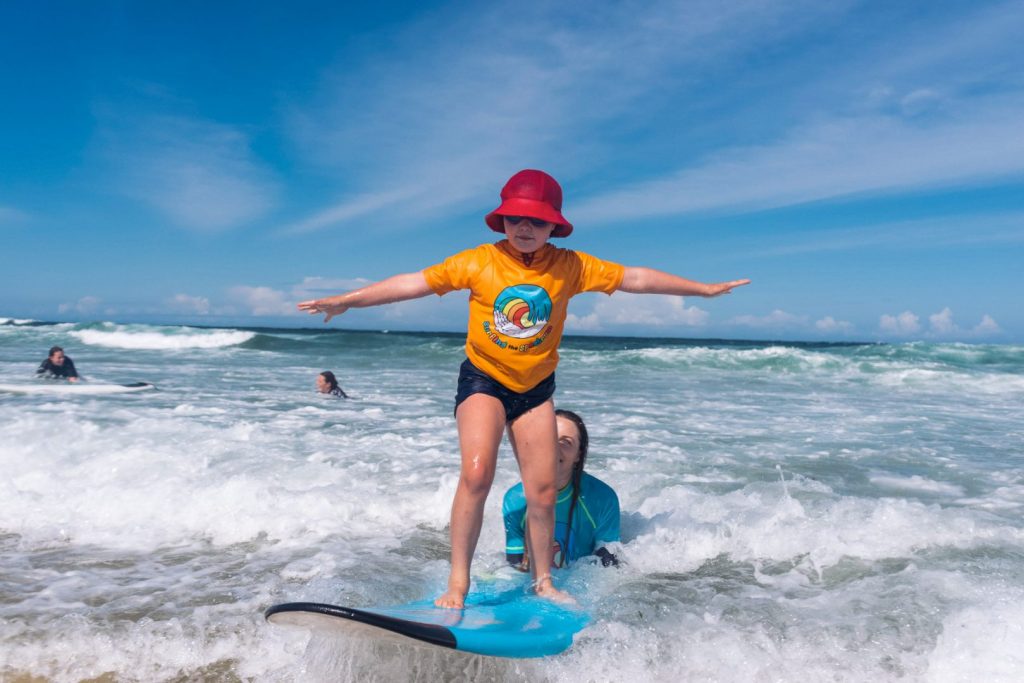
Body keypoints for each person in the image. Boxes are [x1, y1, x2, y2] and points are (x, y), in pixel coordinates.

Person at [298, 168, 749, 608]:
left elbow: (635, 278)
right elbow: (413, 283)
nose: (526, 227)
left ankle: (543, 581)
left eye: (536, 220)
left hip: (535, 388)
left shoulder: (570, 266)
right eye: (516, 218)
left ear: (554, 224)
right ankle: (459, 581)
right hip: (483, 379)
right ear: (504, 220)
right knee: (477, 476)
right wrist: (348, 300)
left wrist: (703, 290)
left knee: (544, 491)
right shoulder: (478, 261)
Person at [504, 409, 620, 570]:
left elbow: (609, 569)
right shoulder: (516, 499)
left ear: (578, 455)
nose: (554, 447)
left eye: (566, 442)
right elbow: (515, 568)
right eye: (547, 438)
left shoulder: (602, 498)